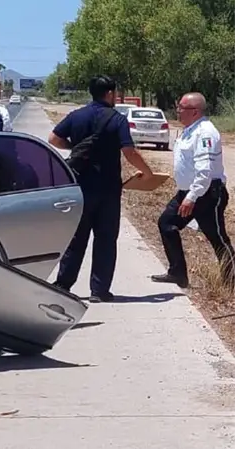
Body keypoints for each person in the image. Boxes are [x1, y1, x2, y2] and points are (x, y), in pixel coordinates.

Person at [47, 75, 155, 302]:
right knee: (105, 240)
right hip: (107, 190)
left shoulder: (76, 116)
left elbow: (53, 138)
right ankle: (99, 290)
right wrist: (147, 172)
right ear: (109, 94)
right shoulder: (117, 119)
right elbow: (129, 152)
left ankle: (63, 285)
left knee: (76, 239)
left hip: (80, 187)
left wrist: (74, 147)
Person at [150, 92, 235, 288]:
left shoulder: (205, 132)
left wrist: (192, 196)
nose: (177, 111)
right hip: (188, 193)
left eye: (181, 107)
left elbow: (204, 170)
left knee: (217, 237)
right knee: (166, 223)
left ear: (195, 111)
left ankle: (231, 281)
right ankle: (177, 273)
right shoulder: (189, 129)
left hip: (206, 194)